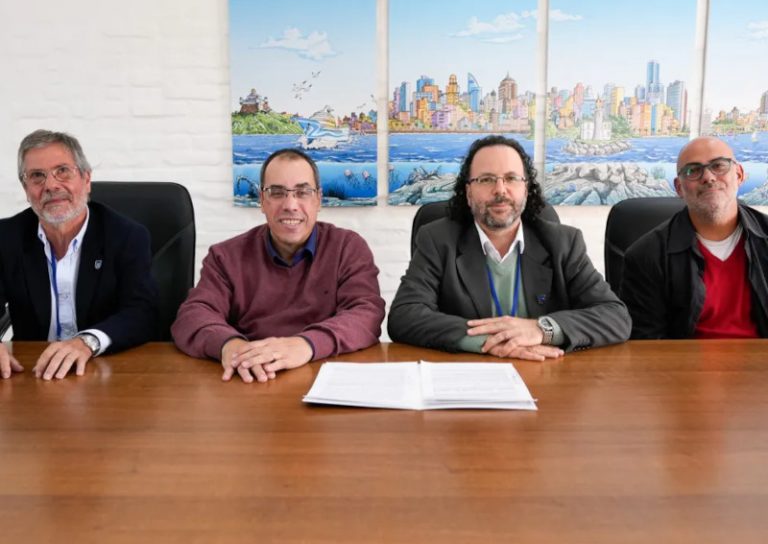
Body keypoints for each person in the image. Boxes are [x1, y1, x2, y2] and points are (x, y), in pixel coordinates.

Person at [388, 135, 631, 361]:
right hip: (468, 372)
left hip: (546, 373)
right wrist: (489, 341)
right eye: (486, 179)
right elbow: (404, 316)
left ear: (526, 188)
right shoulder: (438, 239)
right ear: (468, 192)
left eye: (511, 178)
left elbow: (615, 316)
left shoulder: (563, 243)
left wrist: (542, 329)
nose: (500, 190)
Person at [172, 148, 385, 382]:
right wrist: (230, 346)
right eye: (276, 192)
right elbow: (193, 315)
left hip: (327, 376)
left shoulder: (347, 247)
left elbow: (366, 314)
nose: (290, 205)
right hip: (251, 377)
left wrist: (305, 344)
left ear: (318, 200)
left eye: (303, 192)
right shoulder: (225, 256)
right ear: (262, 200)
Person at [0, 129, 157, 380]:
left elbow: (142, 312)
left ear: (86, 179)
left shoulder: (126, 235)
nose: (51, 185)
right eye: (37, 176)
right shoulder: (7, 237)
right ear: (26, 189)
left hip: (107, 371)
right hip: (32, 371)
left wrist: (88, 341)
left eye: (63, 171)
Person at [621, 136, 768, 338]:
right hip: (683, 358)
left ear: (739, 174)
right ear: (679, 188)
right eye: (693, 171)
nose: (708, 177)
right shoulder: (647, 255)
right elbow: (647, 343)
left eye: (718, 166)